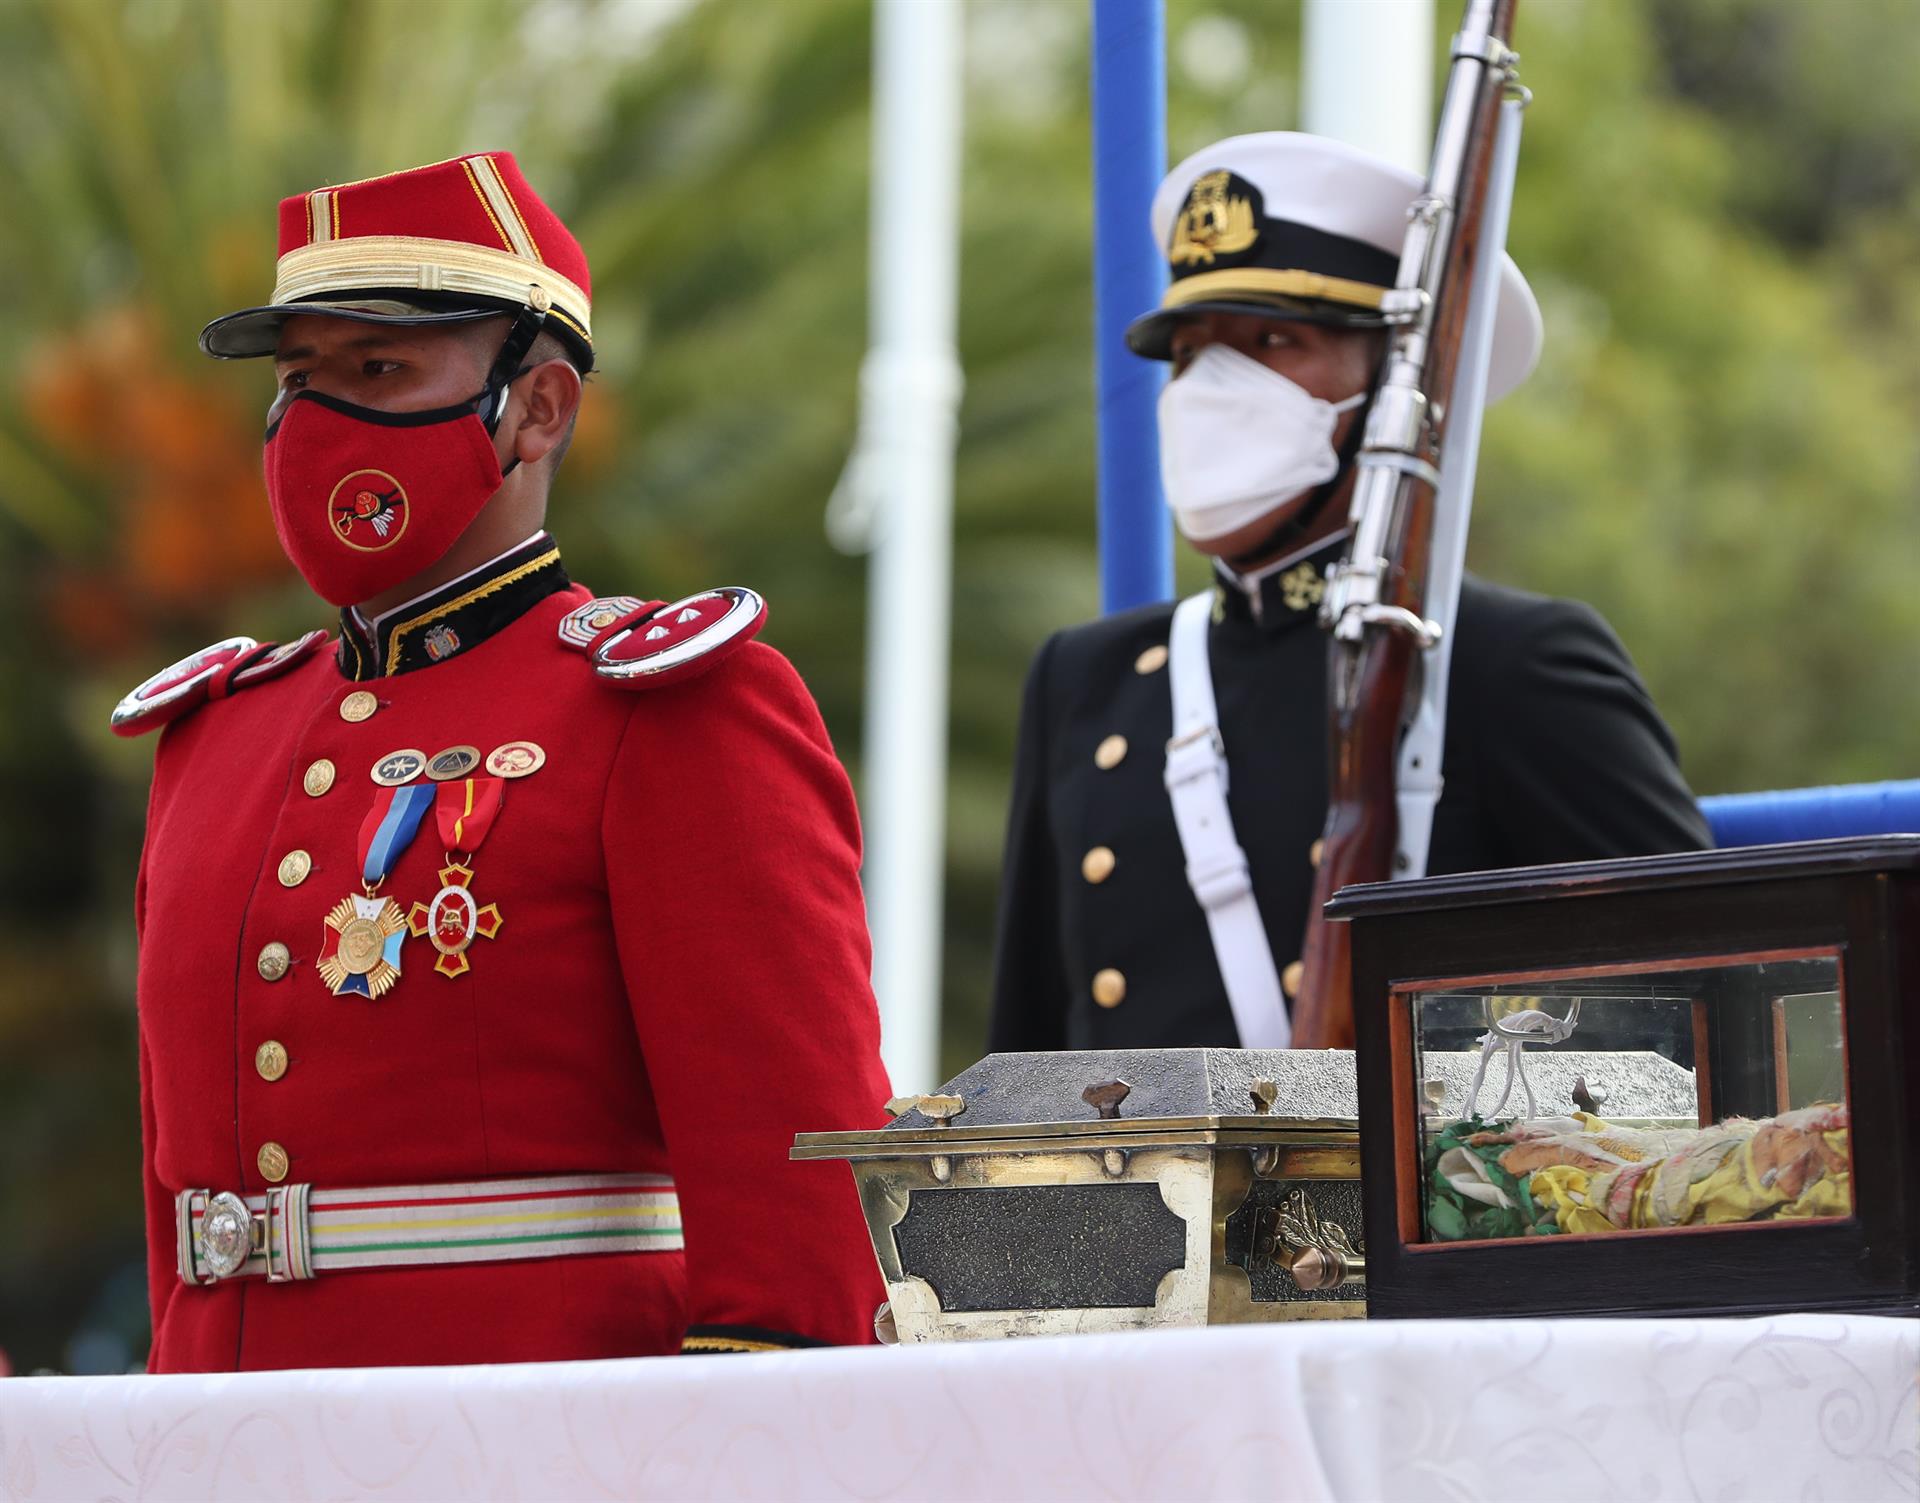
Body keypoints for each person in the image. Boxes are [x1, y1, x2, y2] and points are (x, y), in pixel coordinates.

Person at [113, 152, 891, 1371]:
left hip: (537, 1442)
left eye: (378, 370)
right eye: (298, 378)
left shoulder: (668, 706)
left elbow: (801, 1192)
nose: (318, 421)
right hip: (218, 1436)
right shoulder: (217, 731)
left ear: (538, 408)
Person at [989, 133, 1712, 1053]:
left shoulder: (1501, 660)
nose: (1213, 388)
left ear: (1396, 391)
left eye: (1273, 341)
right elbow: (1026, 1053)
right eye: (1192, 352)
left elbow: (1694, 1003)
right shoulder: (1087, 679)